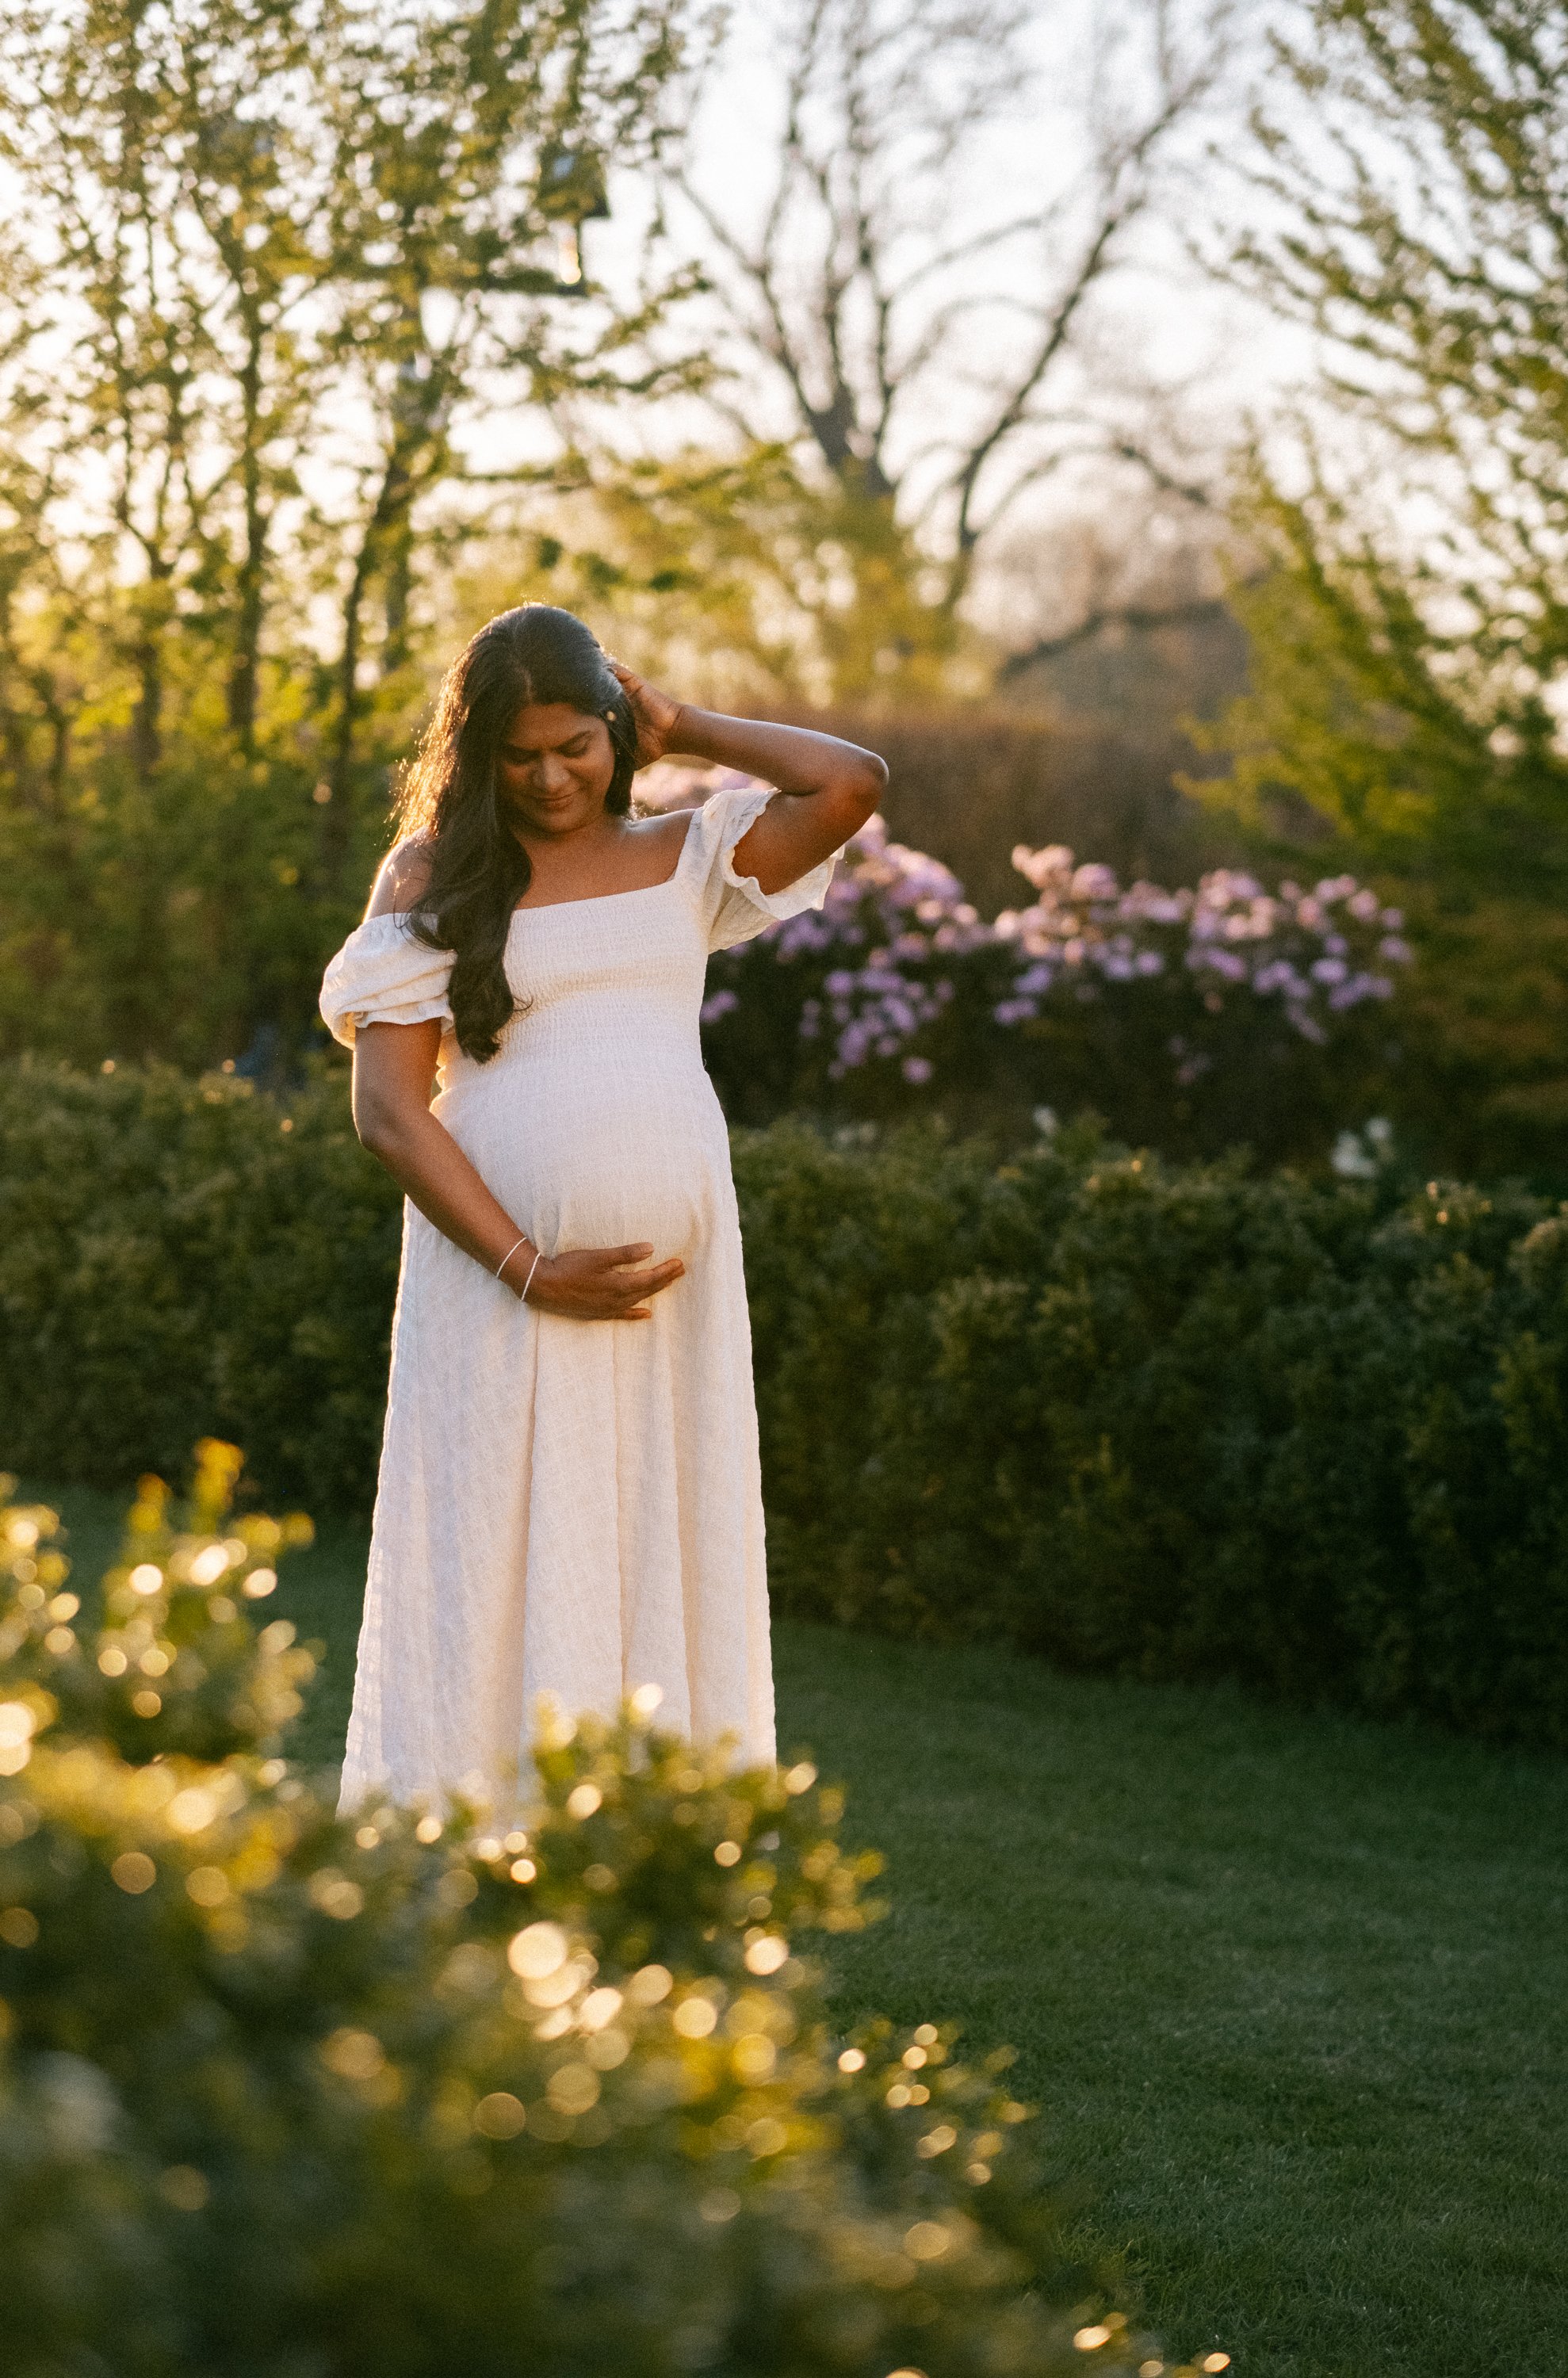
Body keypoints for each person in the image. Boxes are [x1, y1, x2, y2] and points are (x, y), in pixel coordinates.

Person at [318, 604, 886, 1817]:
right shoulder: (432, 877)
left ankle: (648, 1833)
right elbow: (387, 1111)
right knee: (497, 1537)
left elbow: (847, 785)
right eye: (517, 755)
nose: (548, 777)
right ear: (476, 756)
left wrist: (686, 725)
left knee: (653, 1532)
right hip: (499, 1284)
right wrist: (529, 1265)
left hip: (667, 1306)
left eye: (574, 745)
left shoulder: (686, 853)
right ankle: (468, 1837)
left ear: (615, 729)